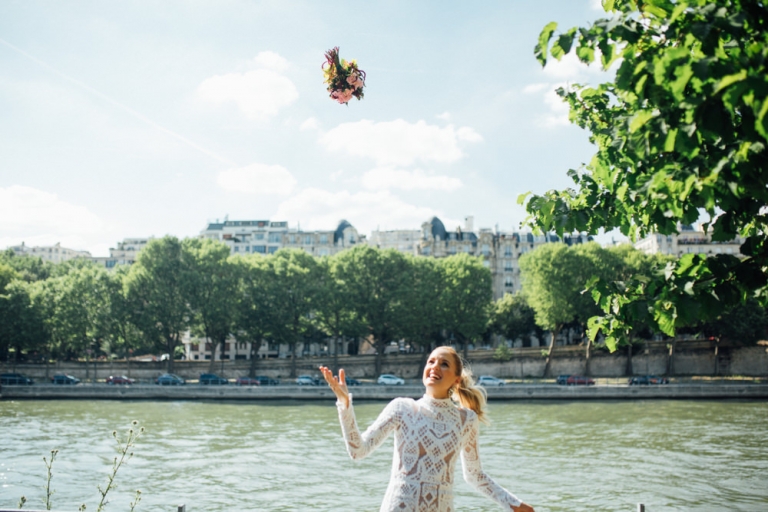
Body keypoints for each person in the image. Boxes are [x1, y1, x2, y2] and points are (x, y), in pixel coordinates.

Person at [320, 346, 535, 512]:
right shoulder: (401, 408)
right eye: (431, 361)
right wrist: (344, 404)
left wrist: (513, 504)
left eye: (444, 364)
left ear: (456, 380)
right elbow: (358, 450)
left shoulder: (466, 420)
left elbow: (474, 475)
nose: (434, 367)